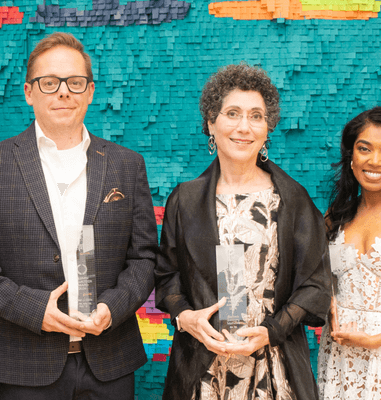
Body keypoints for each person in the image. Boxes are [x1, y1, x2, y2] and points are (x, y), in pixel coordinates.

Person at [0, 32, 157, 400]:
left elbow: (145, 259)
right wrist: (33, 309)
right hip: (26, 364)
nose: (63, 92)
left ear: (90, 92)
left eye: (75, 83)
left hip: (110, 363)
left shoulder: (127, 165)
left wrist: (113, 306)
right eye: (50, 83)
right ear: (29, 92)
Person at [155, 63, 331, 400]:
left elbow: (316, 285)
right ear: (211, 123)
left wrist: (273, 330)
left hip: (273, 369)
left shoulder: (291, 199)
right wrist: (186, 317)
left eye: (256, 116)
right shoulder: (185, 200)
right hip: (202, 372)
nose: (244, 127)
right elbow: (166, 278)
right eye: (232, 113)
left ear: (268, 129)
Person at [318, 106, 381, 399]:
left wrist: (374, 339)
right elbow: (317, 277)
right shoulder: (337, 215)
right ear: (351, 157)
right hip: (340, 358)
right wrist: (327, 300)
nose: (375, 161)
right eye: (364, 148)